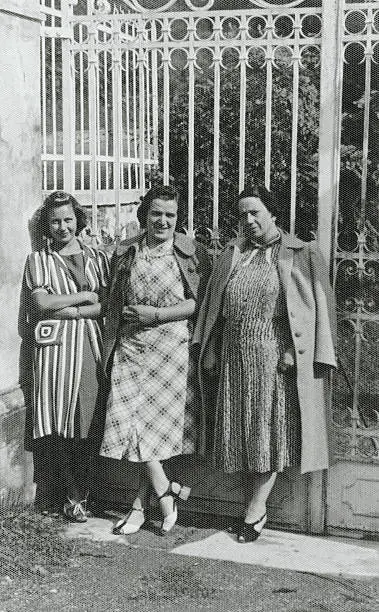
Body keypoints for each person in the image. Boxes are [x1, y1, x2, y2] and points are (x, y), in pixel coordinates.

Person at [193, 183, 337, 543]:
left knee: (266, 436)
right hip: (233, 358)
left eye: (255, 212)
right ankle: (249, 505)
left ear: (273, 213)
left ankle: (255, 512)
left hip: (273, 360)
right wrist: (210, 348)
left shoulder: (300, 254)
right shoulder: (233, 253)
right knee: (238, 435)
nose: (248, 220)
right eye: (242, 214)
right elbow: (214, 307)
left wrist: (291, 349)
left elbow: (318, 310)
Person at [99, 184, 211, 536]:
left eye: (170, 215)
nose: (162, 221)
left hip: (171, 350)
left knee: (151, 430)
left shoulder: (192, 254)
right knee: (128, 422)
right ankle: (166, 492)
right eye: (156, 213)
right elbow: (111, 298)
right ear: (143, 215)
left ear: (178, 219)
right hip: (130, 349)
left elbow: (200, 304)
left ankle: (137, 506)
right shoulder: (125, 251)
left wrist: (156, 315)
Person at [19, 191, 109, 522]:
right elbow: (41, 304)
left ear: (79, 220)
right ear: (46, 224)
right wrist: (84, 298)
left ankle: (80, 495)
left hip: (90, 347)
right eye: (55, 221)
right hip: (55, 352)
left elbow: (108, 306)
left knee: (86, 422)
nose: (62, 227)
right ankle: (58, 495)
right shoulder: (39, 260)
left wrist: (68, 309)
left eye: (68, 219)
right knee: (57, 422)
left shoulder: (98, 258)